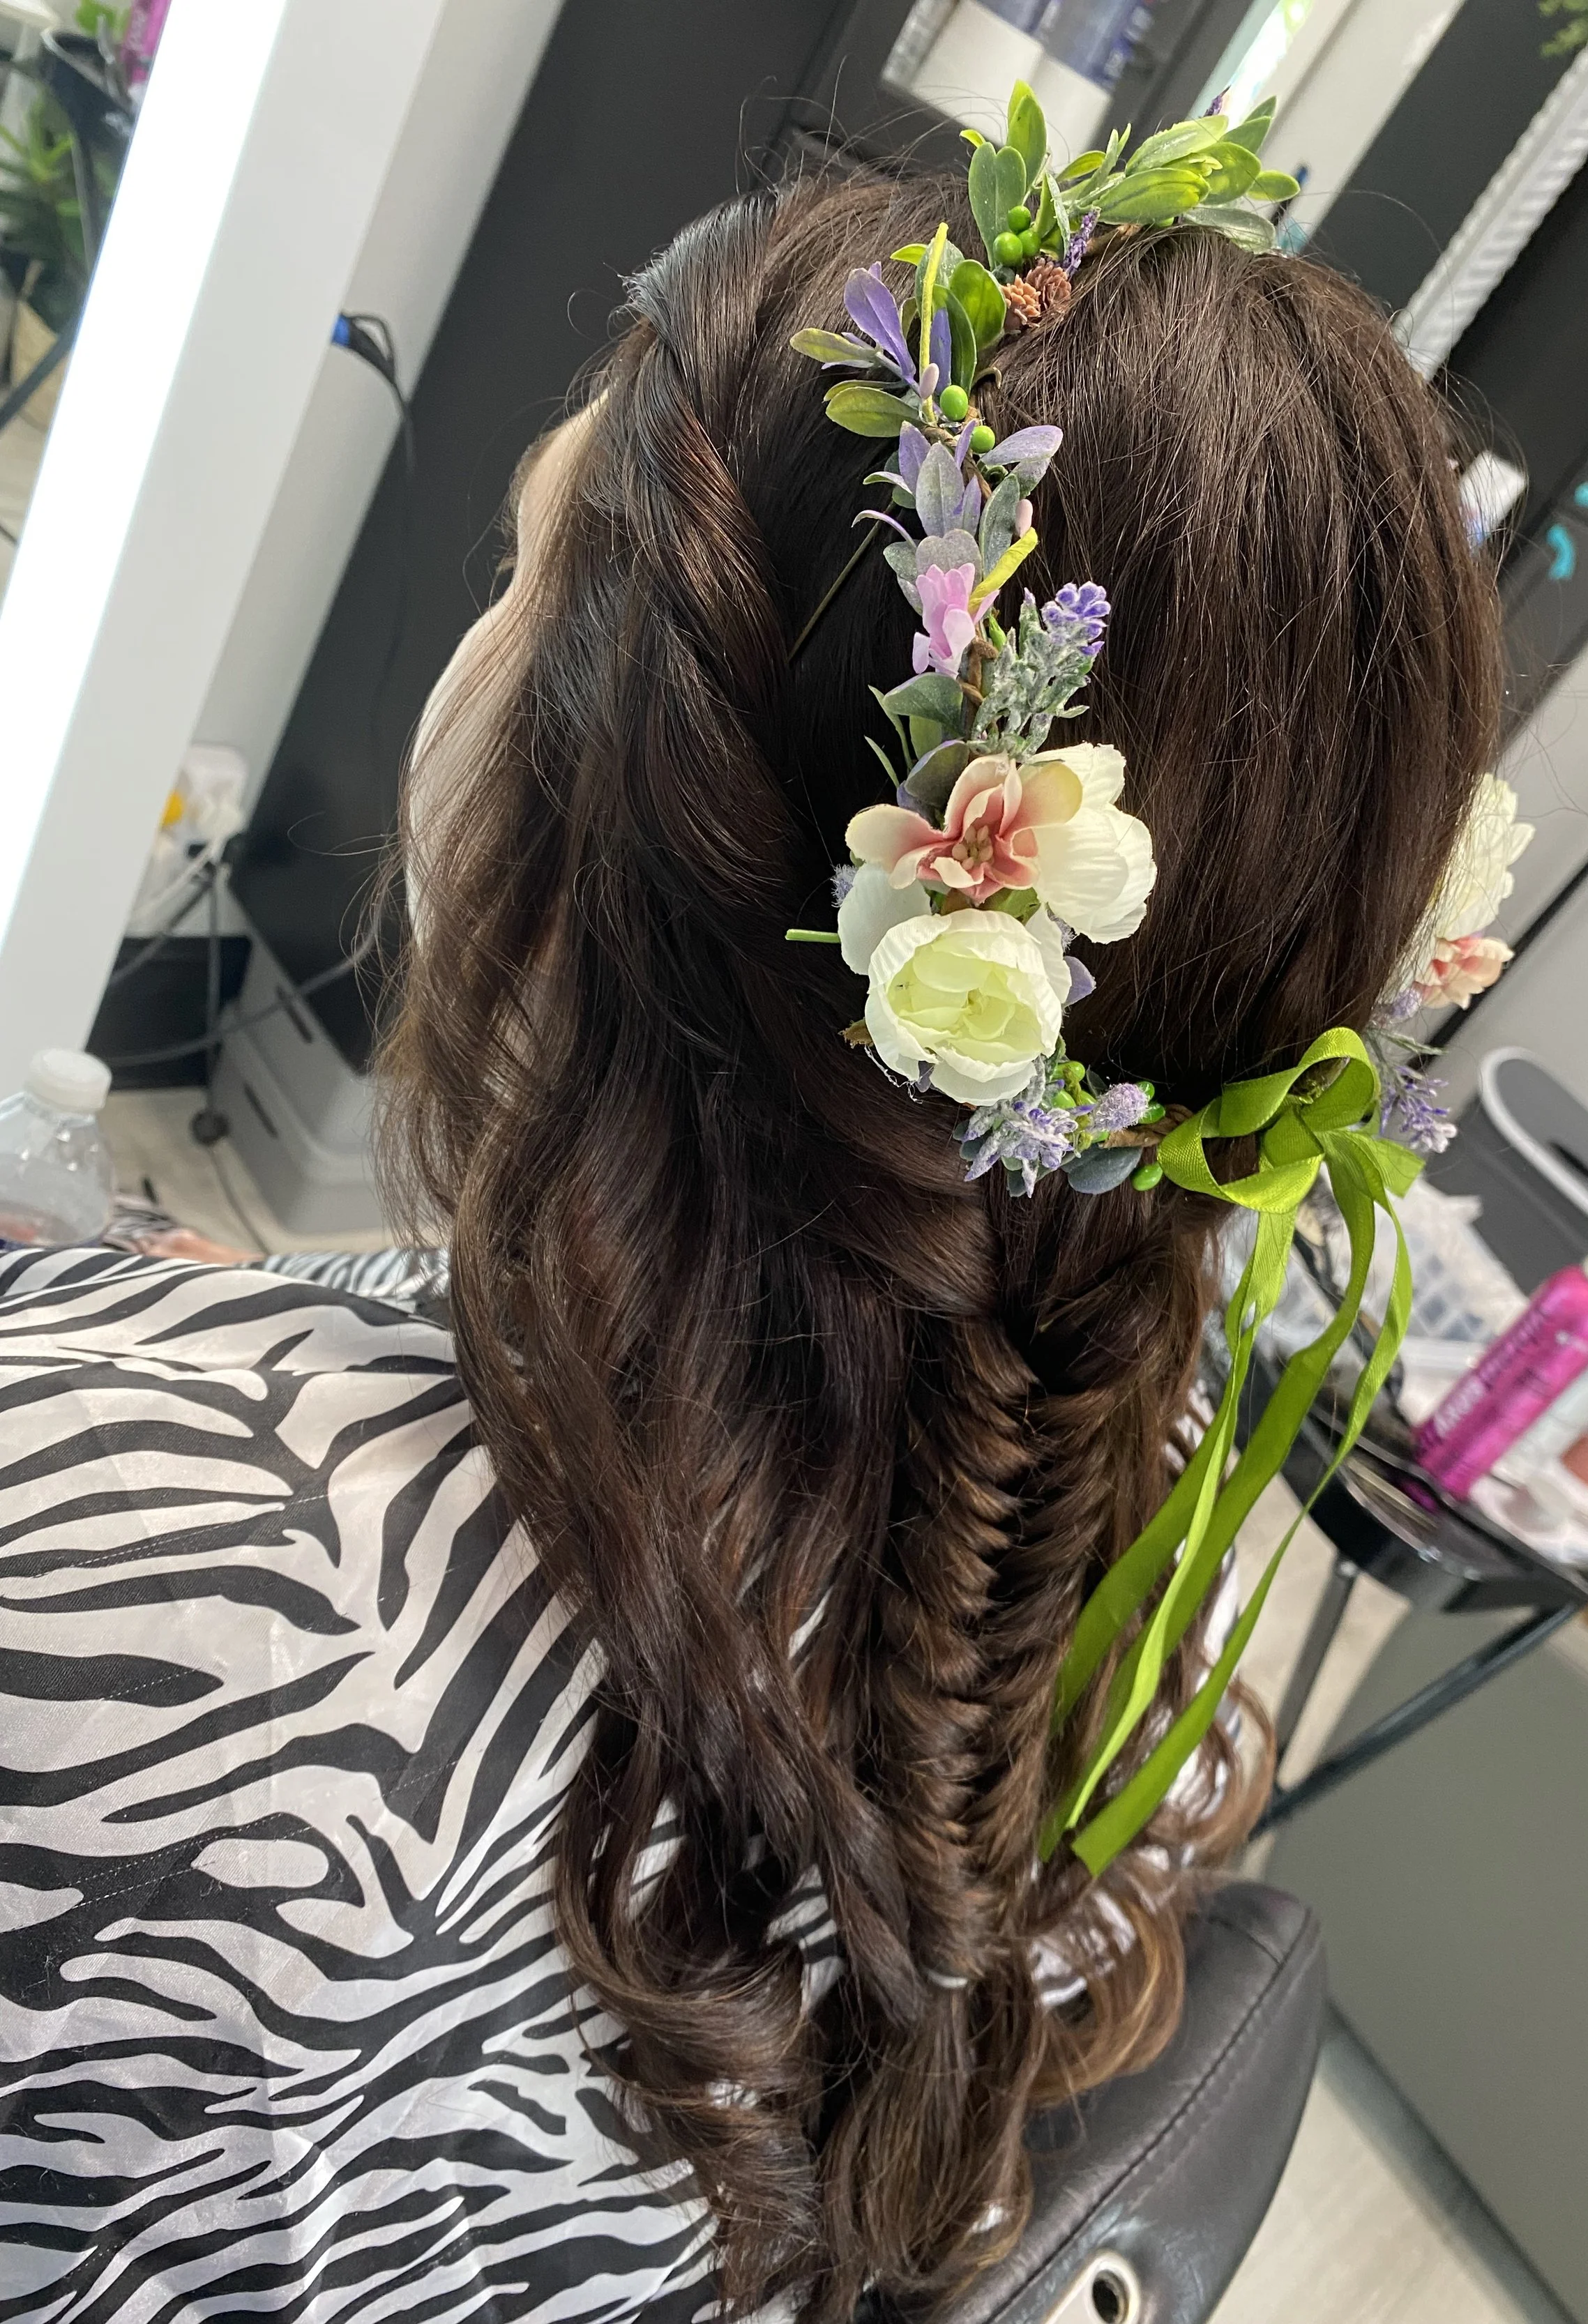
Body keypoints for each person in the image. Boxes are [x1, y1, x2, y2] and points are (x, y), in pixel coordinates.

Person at [0, 155, 1500, 2324]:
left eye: (518, 567)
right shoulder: (1051, 1591)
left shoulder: (121, 1587)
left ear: (612, 795)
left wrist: (197, 1436)